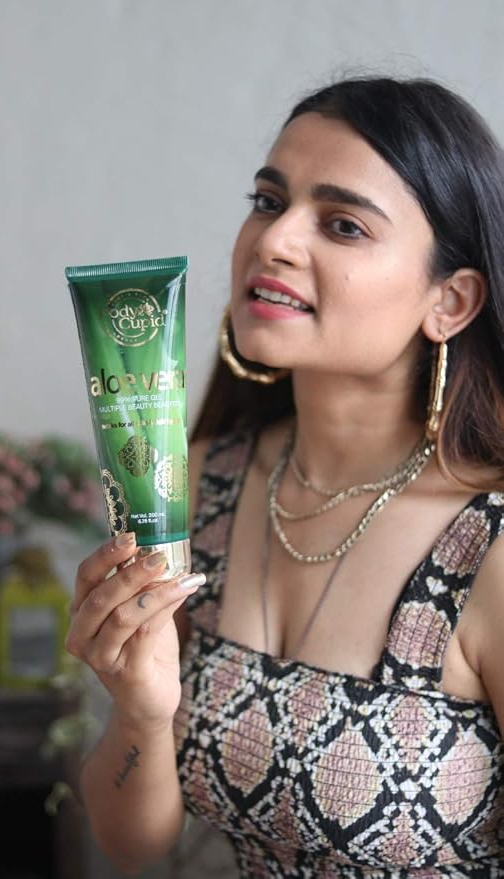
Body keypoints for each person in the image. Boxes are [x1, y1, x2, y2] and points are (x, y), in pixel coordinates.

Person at [66, 76, 504, 877]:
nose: (274, 239)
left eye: (342, 224)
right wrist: (140, 713)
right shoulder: (204, 483)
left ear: (450, 301)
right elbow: (134, 843)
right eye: (268, 201)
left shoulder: (489, 548)